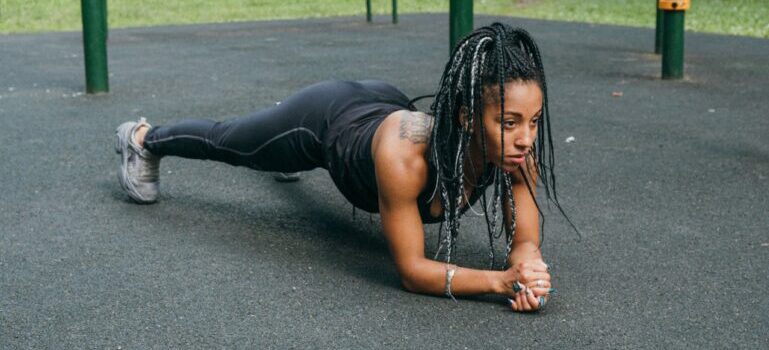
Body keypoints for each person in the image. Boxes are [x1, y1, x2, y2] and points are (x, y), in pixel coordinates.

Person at [115, 23, 565, 312]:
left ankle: (275, 139)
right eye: (509, 122)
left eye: (534, 121)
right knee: (233, 142)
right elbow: (411, 270)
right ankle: (141, 139)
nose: (525, 137)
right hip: (325, 119)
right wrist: (498, 283)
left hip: (383, 100)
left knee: (267, 146)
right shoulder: (405, 158)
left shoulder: (517, 154)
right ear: (467, 117)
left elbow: (524, 240)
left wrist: (528, 269)